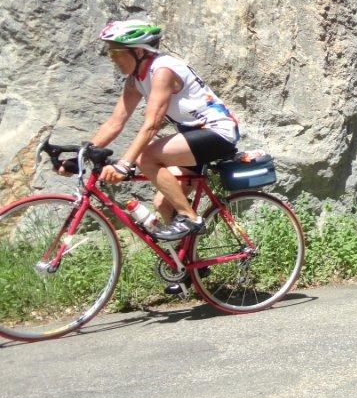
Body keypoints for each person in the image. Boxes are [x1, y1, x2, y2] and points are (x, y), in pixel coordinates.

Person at [64, 19, 240, 241]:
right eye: (110, 53)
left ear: (138, 51)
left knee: (147, 157)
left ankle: (190, 218)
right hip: (193, 137)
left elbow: (152, 125)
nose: (113, 59)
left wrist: (124, 164)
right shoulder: (135, 80)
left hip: (218, 132)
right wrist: (78, 158)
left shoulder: (163, 71)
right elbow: (115, 123)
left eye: (117, 52)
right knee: (163, 204)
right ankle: (187, 260)